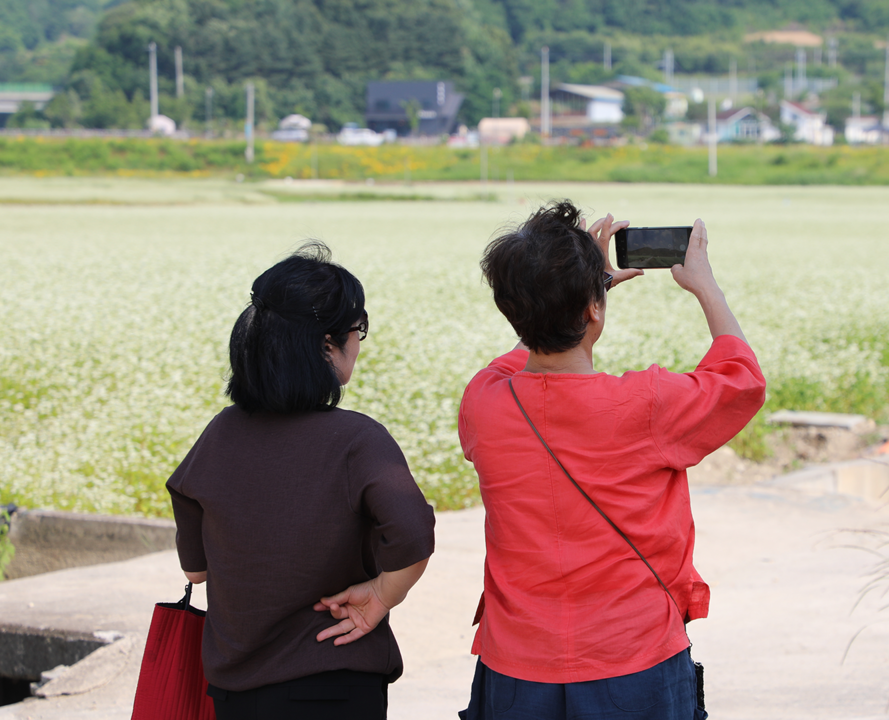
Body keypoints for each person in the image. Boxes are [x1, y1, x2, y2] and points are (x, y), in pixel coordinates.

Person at [458, 202, 766, 719]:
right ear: (593, 309)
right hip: (633, 659)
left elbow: (521, 356)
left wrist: (568, 299)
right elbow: (742, 380)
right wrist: (705, 286)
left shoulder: (483, 402)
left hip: (514, 665)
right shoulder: (647, 404)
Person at [166, 242, 436, 720]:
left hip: (236, 690)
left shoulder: (220, 432)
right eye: (359, 330)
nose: (359, 342)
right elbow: (412, 533)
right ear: (326, 345)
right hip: (335, 684)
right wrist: (381, 595)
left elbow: (196, 571)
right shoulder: (357, 440)